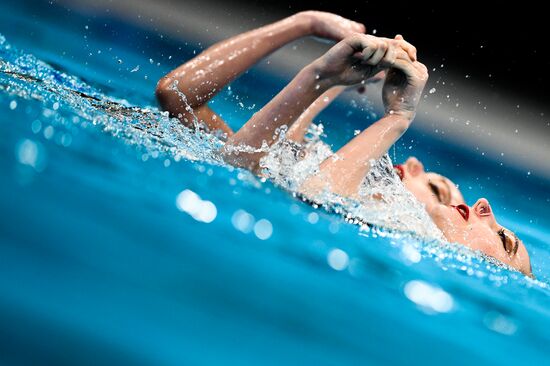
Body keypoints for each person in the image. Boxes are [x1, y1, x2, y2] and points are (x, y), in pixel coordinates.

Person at [156, 11, 532, 276]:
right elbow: (178, 98)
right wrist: (315, 46)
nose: (482, 205)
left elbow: (312, 193)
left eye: (505, 241)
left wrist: (337, 87)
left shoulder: (390, 250)